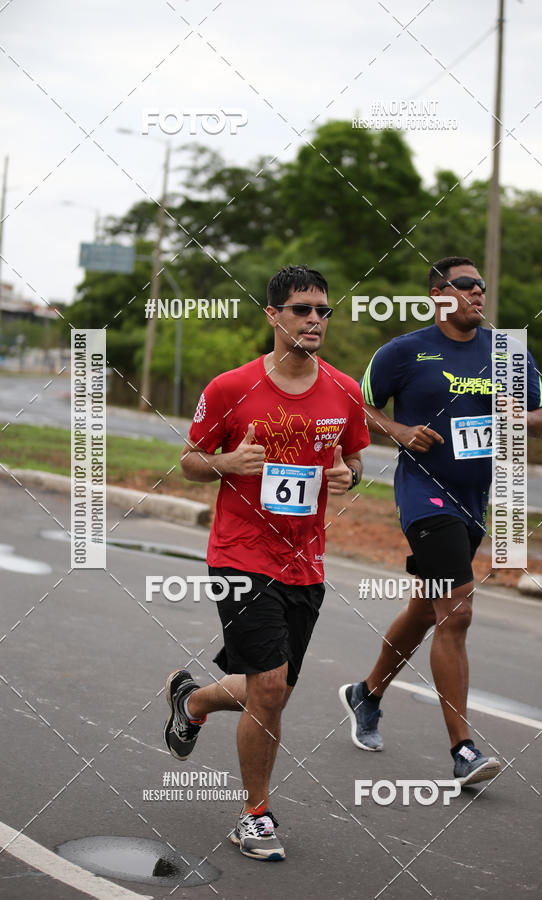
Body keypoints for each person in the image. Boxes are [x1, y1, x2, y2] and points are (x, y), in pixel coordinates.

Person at [164, 265, 369, 860]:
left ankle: (193, 701)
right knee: (271, 686)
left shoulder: (345, 390)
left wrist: (346, 475)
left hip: (305, 562)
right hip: (239, 554)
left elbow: (357, 461)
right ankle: (256, 816)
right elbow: (191, 462)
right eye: (302, 309)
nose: (314, 320)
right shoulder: (231, 388)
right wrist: (228, 463)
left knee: (269, 690)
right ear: (273, 316)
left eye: (323, 311)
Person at [339, 256, 542, 786]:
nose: (479, 293)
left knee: (427, 609)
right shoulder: (405, 351)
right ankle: (463, 750)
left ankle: (365, 693)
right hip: (424, 496)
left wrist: (517, 418)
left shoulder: (506, 352)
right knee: (456, 612)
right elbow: (356, 403)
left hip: (474, 499)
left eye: (482, 286)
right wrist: (398, 430)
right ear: (439, 294)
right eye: (467, 286)